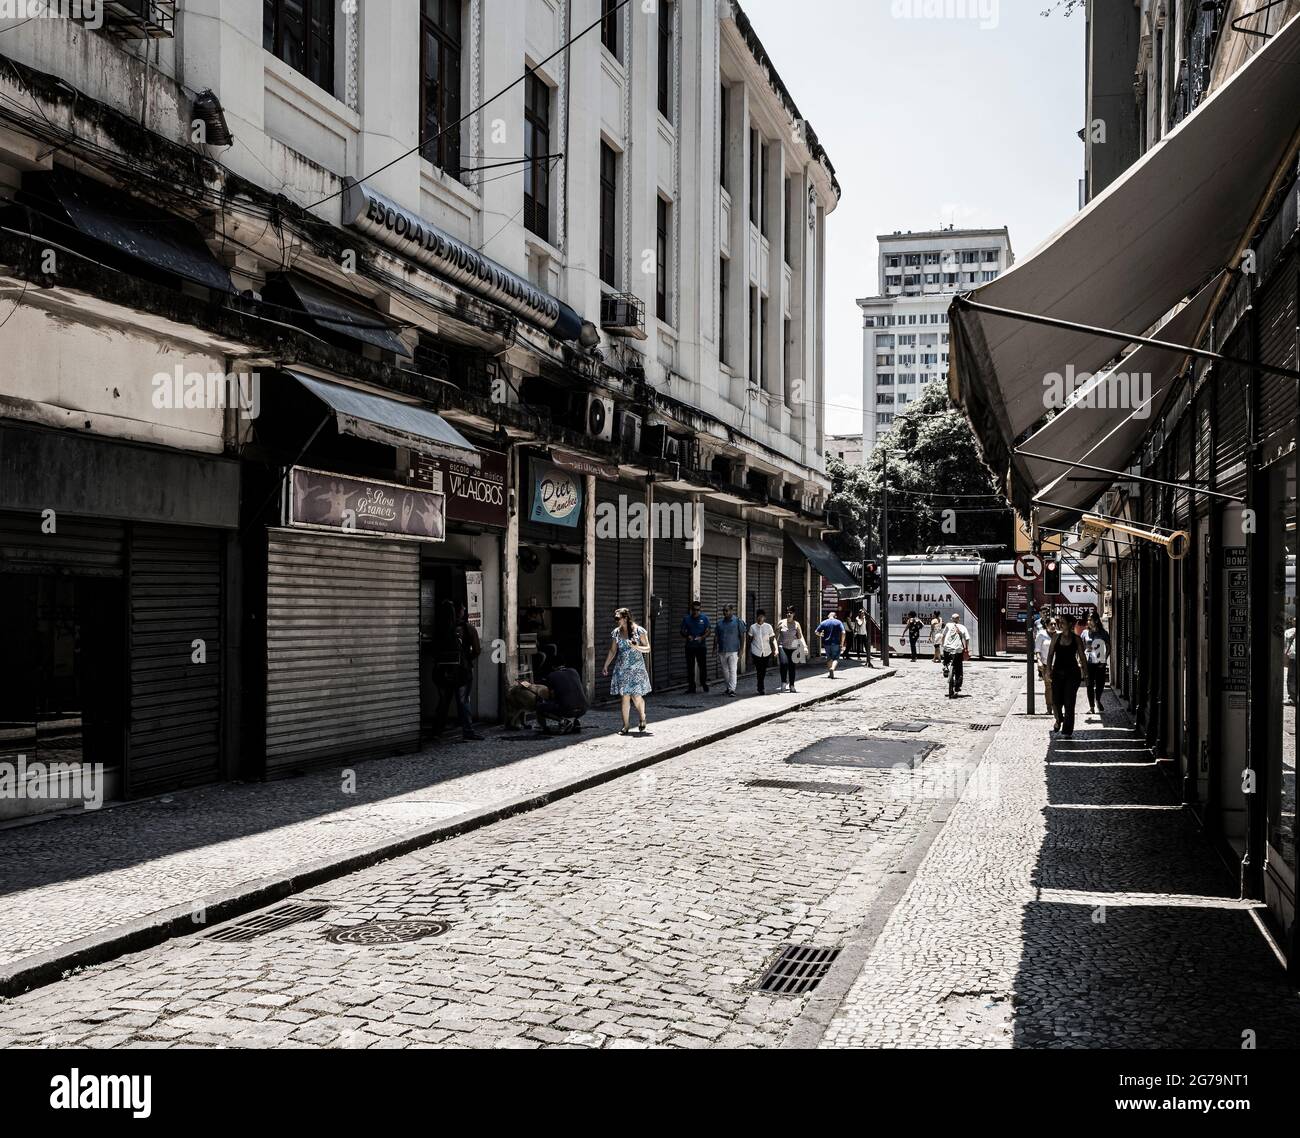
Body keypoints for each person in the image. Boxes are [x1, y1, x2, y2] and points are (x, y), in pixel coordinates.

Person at [431, 599, 484, 742]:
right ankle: (468, 731)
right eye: (463, 608)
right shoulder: (468, 628)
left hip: (443, 671)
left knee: (443, 702)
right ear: (459, 611)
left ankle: (437, 731)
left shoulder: (439, 629)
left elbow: (433, 651)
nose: (465, 610)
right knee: (464, 702)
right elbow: (477, 650)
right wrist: (467, 659)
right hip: (462, 672)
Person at [603, 607, 652, 735]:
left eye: (617, 618)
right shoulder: (616, 633)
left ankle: (642, 716)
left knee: (636, 697)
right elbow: (613, 650)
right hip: (622, 669)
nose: (616, 621)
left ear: (625, 618)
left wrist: (637, 647)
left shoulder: (639, 631)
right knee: (624, 697)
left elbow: (647, 648)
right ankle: (625, 726)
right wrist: (606, 665)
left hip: (637, 669)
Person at [1047, 617, 1088, 736]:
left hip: (1072, 674)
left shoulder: (1076, 639)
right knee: (1056, 701)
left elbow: (1082, 657)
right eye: (1060, 622)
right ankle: (1059, 719)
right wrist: (1048, 670)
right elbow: (1050, 655)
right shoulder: (1056, 637)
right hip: (1057, 673)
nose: (1060, 625)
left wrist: (1086, 674)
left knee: (1069, 702)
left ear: (1069, 624)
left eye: (1062, 623)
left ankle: (1067, 730)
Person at [536, 660, 588, 734]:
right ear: (564, 664)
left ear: (553, 667)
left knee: (539, 708)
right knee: (572, 700)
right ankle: (576, 721)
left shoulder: (552, 675)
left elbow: (552, 695)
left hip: (567, 710)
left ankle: (560, 722)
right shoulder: (574, 671)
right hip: (583, 708)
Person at [714, 604, 747, 696]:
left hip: (733, 650)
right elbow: (716, 636)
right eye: (724, 610)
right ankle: (728, 688)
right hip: (722, 650)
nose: (725, 612)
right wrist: (714, 648)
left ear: (732, 611)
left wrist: (741, 649)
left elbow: (742, 636)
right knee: (725, 671)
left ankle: (732, 689)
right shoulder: (719, 623)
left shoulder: (737, 621)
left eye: (727, 610)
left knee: (732, 670)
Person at [1082, 613, 1111, 716]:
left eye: (1090, 620)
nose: (1088, 622)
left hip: (1100, 662)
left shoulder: (1103, 633)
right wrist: (1080, 661)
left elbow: (1108, 647)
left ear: (1096, 621)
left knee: (1100, 683)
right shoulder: (1085, 633)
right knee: (1089, 684)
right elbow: (1081, 648)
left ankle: (1098, 699)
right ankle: (1092, 707)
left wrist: (1104, 660)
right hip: (1088, 662)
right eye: (1088, 620)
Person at [681, 600, 711, 693]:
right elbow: (682, 631)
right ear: (691, 609)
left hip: (701, 647)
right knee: (690, 667)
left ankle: (703, 683)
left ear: (700, 609)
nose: (696, 612)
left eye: (698, 610)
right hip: (690, 647)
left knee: (702, 666)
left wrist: (702, 637)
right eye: (694, 610)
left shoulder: (704, 619)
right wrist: (687, 636)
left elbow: (708, 631)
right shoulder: (686, 619)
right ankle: (691, 687)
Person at [940, 612, 970, 698]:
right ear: (959, 619)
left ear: (951, 619)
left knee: (946, 657)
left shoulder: (948, 625)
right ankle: (957, 686)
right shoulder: (963, 627)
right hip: (958, 650)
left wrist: (942, 644)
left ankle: (946, 666)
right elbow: (967, 638)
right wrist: (966, 648)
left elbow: (943, 635)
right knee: (959, 668)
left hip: (947, 648)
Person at [748, 608, 777, 694]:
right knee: (759, 669)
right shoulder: (752, 627)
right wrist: (748, 654)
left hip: (766, 652)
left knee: (763, 670)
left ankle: (760, 684)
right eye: (759, 616)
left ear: (764, 617)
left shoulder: (768, 627)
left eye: (762, 616)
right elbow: (749, 640)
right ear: (756, 617)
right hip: (756, 651)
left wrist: (776, 649)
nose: (760, 618)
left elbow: (773, 639)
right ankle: (761, 687)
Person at [777, 606, 805, 693]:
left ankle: (792, 685)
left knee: (792, 667)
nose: (789, 614)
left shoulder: (796, 624)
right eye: (788, 612)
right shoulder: (781, 622)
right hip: (782, 646)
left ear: (794, 614)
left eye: (791, 612)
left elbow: (800, 637)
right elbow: (775, 635)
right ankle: (783, 682)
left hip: (793, 647)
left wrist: (804, 647)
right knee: (784, 664)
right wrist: (775, 646)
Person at [815, 609, 846, 680]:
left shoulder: (823, 622)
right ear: (835, 616)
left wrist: (821, 635)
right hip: (836, 643)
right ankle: (832, 668)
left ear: (828, 616)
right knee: (836, 658)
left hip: (826, 643)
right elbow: (843, 632)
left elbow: (816, 632)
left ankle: (830, 673)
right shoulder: (838, 622)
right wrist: (842, 643)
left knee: (829, 658)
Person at [1035, 615, 1057, 712]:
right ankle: (1049, 707)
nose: (1053, 626)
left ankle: (1057, 706)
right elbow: (1037, 650)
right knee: (1048, 686)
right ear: (1047, 625)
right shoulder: (1041, 635)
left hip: (1058, 665)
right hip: (1046, 665)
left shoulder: (1059, 634)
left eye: (1055, 624)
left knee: (1057, 687)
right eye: (1051, 624)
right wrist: (1039, 661)